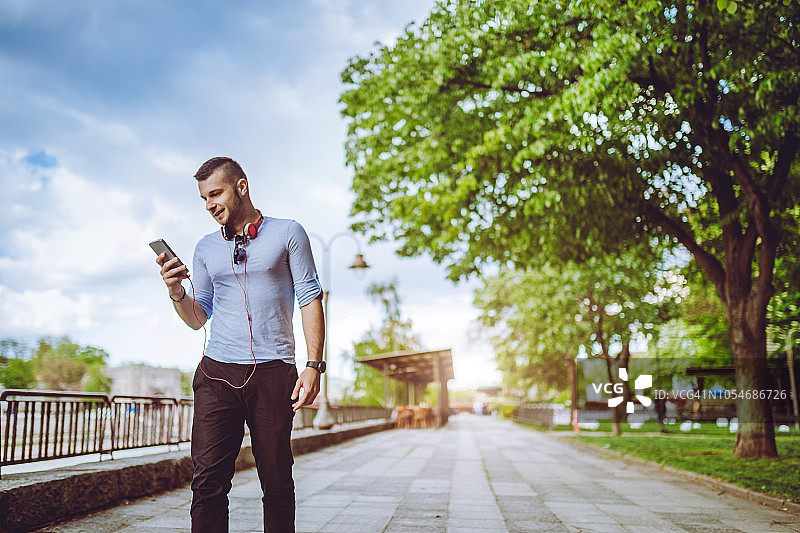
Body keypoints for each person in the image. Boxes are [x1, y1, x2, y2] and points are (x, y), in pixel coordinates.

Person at [155, 156, 325, 533]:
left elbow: (310, 297)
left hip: (273, 372)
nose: (209, 204)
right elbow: (199, 317)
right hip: (216, 374)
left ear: (241, 186)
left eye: (215, 193)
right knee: (207, 485)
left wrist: (314, 365)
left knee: (277, 482)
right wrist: (176, 291)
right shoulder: (204, 248)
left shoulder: (288, 233)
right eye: (203, 198)